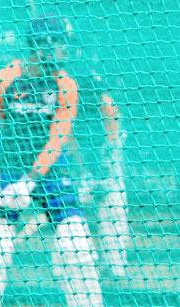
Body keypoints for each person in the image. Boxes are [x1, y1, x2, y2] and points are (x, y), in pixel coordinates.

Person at [0, 16, 117, 307]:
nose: (54, 48)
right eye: (46, 42)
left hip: (48, 169)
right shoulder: (4, 79)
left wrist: (31, 180)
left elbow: (58, 137)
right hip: (8, 164)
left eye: (58, 42)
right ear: (33, 45)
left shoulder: (66, 85)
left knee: (76, 243)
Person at [70, 52, 130, 278]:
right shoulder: (70, 102)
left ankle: (114, 265)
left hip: (105, 159)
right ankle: (88, 261)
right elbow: (69, 137)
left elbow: (112, 126)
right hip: (84, 163)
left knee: (113, 204)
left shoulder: (104, 103)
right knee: (79, 208)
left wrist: (107, 164)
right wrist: (83, 168)